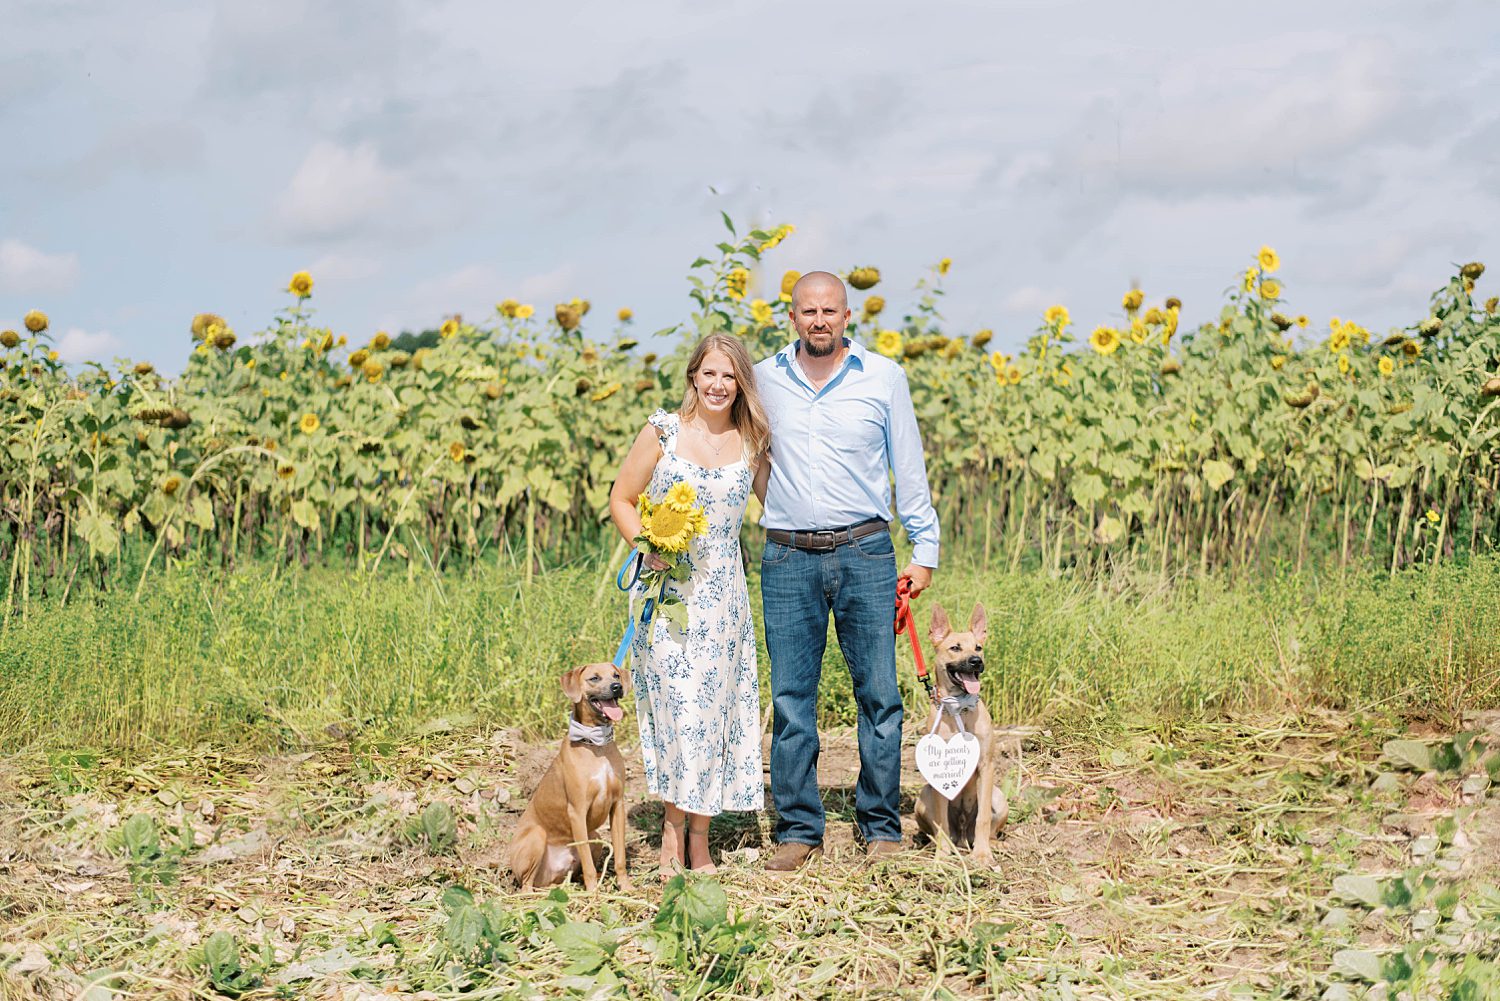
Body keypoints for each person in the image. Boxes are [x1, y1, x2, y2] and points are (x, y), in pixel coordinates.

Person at [751, 270, 940, 872]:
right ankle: (800, 829)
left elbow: (907, 467)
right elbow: (744, 456)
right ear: (792, 317)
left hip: (865, 552)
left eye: (830, 310)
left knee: (880, 696)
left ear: (847, 315)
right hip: (786, 556)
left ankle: (880, 824)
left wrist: (924, 552)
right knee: (790, 699)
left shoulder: (883, 378)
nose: (819, 321)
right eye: (808, 311)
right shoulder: (760, 378)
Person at [608, 333, 772, 877]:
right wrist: (647, 546)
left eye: (730, 376)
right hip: (668, 592)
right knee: (679, 714)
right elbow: (621, 499)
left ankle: (700, 839)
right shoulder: (663, 431)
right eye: (709, 374)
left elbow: (781, 507)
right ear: (693, 377)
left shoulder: (752, 444)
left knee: (711, 714)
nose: (719, 385)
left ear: (740, 382)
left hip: (723, 595)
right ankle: (670, 836)